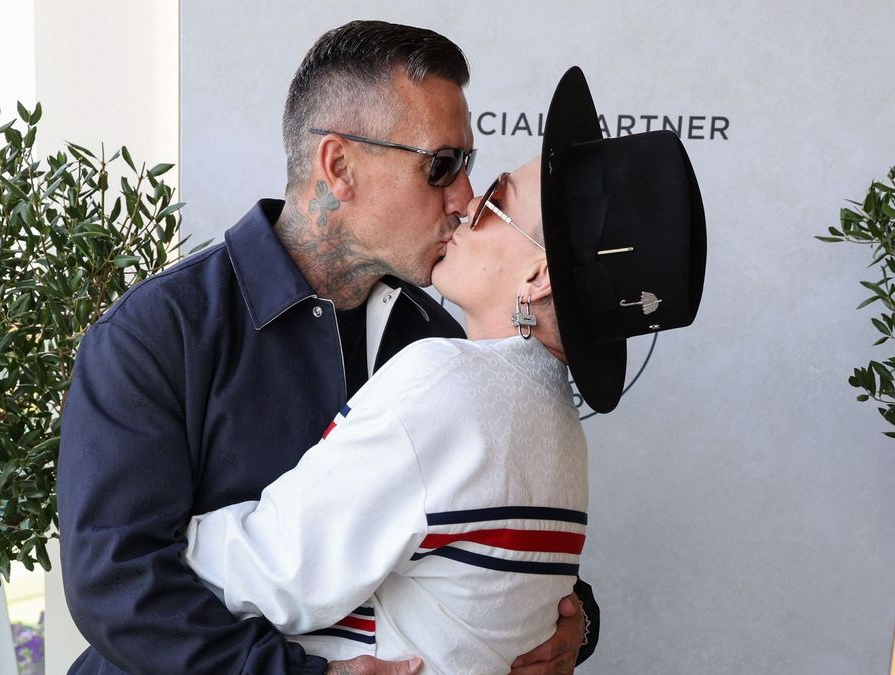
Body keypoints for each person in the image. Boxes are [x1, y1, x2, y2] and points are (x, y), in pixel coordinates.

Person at [58, 22, 597, 674]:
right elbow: (117, 584)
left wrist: (572, 620)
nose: (462, 199)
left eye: (469, 167)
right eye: (441, 166)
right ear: (340, 167)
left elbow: (466, 543)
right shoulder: (155, 334)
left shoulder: (435, 341)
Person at [181, 68, 706, 675]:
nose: (467, 203)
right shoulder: (559, 431)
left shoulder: (447, 384)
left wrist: (160, 544)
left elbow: (273, 573)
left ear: (539, 278)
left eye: (498, 200)